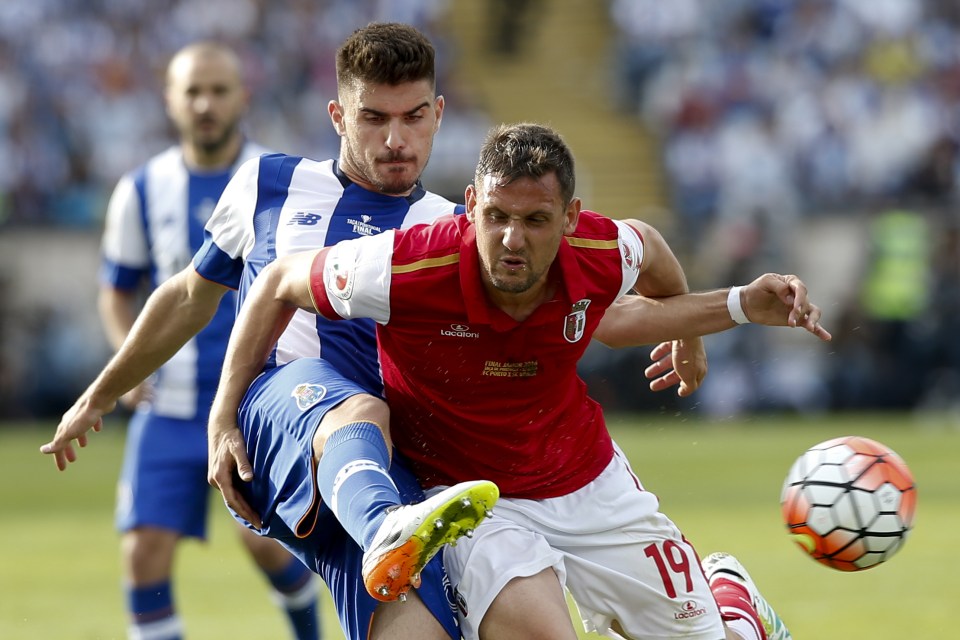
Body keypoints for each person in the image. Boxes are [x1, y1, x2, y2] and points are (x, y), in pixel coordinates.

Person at [207, 122, 831, 640]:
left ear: (570, 218)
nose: (511, 239)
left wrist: (717, 317)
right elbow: (277, 282)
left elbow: (652, 254)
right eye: (497, 215)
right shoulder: (404, 265)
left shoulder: (600, 248)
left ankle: (732, 599)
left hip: (590, 485)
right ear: (473, 202)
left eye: (535, 220)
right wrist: (224, 415)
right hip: (475, 498)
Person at [92, 41, 322, 640]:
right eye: (192, 91)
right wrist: (130, 360)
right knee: (142, 553)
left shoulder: (283, 182)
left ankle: (310, 632)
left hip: (252, 403)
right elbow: (117, 289)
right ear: (170, 100)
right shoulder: (141, 189)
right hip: (168, 407)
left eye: (219, 90)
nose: (205, 104)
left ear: (243, 97)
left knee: (267, 545)